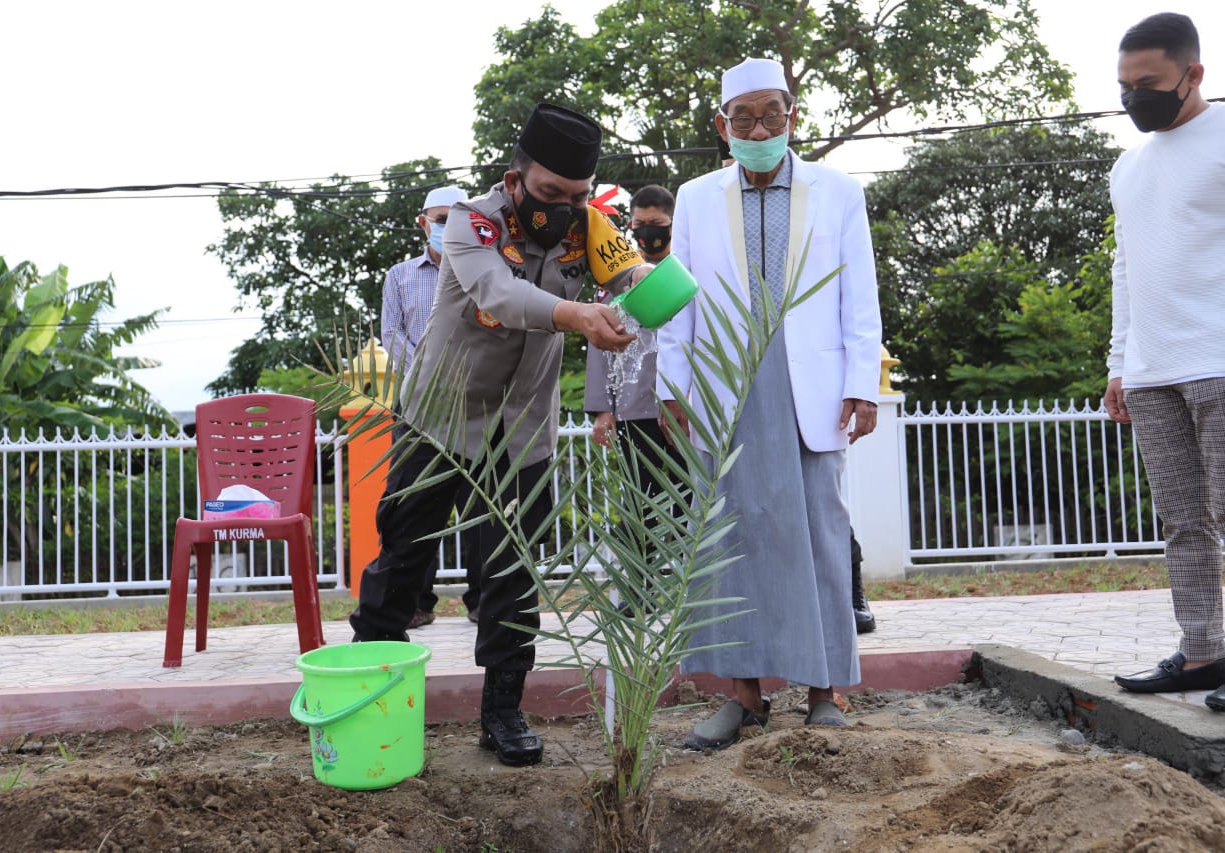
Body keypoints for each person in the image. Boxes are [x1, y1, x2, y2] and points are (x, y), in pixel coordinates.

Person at [349, 103, 651, 767]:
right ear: (516, 178)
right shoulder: (470, 221)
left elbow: (636, 280)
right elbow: (497, 297)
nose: (564, 208)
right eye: (550, 194)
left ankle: (503, 713)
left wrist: (666, 288)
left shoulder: (593, 227)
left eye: (576, 196)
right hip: (438, 421)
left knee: (511, 578)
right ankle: (367, 698)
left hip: (522, 434)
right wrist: (579, 313)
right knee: (402, 563)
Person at [658, 57, 882, 748]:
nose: (760, 129)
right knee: (729, 538)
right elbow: (677, 299)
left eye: (772, 115)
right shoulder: (694, 197)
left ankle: (826, 691)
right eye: (744, 118)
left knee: (819, 532)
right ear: (722, 127)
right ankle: (743, 697)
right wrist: (672, 387)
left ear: (794, 116)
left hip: (809, 383)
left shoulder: (838, 191)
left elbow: (859, 292)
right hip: (723, 380)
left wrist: (861, 383)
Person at [1103, 13, 1225, 711]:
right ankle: (1203, 651)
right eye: (1123, 87)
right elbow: (1127, 267)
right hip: (1153, 370)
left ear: (1194, 74)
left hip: (1219, 358)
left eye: (1147, 84)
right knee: (1182, 520)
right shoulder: (1130, 166)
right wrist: (1121, 361)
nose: (1133, 99)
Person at [380, 185, 483, 629]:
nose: (446, 226)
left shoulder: (483, 270)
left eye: (454, 218)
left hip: (473, 400)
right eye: (439, 219)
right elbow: (391, 336)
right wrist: (428, 376)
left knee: (480, 504)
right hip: (417, 405)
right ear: (423, 223)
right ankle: (416, 602)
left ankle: (482, 599)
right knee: (412, 504)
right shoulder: (399, 276)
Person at [583, 185, 682, 612]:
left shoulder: (687, 274)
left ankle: (686, 590)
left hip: (685, 411)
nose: (647, 234)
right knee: (637, 505)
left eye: (656, 226)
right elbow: (599, 346)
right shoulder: (615, 284)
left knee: (687, 499)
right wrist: (603, 410)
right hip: (634, 410)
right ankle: (638, 592)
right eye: (639, 226)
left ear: (673, 224)